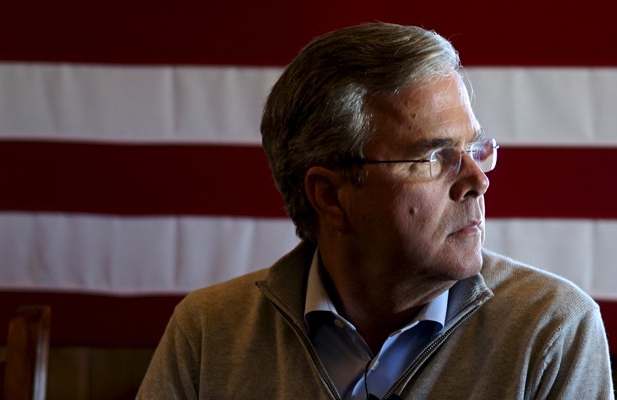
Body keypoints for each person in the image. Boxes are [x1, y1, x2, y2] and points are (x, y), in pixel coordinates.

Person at [137, 22, 614, 399]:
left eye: (475, 148)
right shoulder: (207, 332)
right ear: (330, 196)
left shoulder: (553, 329)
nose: (478, 180)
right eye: (434, 157)